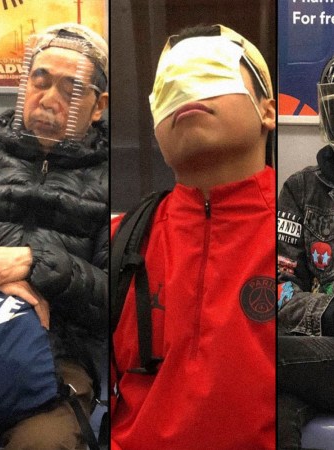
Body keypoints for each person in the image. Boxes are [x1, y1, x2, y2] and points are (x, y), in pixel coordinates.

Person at [0, 23, 109, 450]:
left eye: (71, 88)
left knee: (43, 443)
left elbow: (119, 300)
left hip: (57, 359)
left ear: (97, 106)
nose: (50, 98)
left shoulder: (111, 184)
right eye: (40, 80)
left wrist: (40, 265)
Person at [110, 24, 276, 449]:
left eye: (209, 72)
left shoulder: (309, 234)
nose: (185, 90)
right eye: (169, 87)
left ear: (267, 111)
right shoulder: (120, 241)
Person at [277, 55, 334, 449]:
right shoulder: (300, 190)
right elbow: (277, 290)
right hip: (319, 347)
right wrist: (328, 315)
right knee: (277, 414)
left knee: (249, 354)